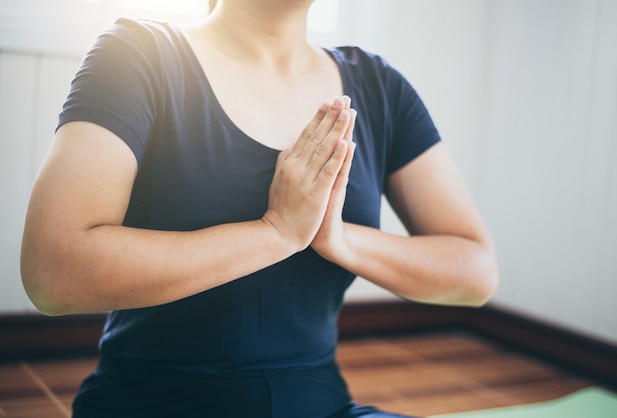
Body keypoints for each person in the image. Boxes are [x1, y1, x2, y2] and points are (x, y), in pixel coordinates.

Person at [20, 0, 498, 416]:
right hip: (156, 402)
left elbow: (474, 272)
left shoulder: (380, 87)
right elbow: (54, 273)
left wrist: (339, 239)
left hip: (320, 405)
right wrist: (274, 232)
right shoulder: (137, 55)